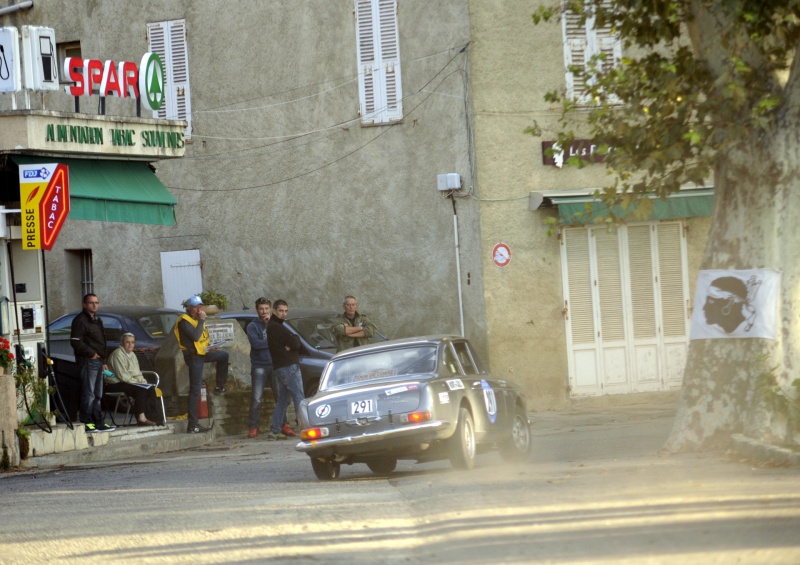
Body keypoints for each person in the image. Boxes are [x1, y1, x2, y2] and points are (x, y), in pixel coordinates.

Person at [173, 295, 229, 434]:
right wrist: (202, 319)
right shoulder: (184, 321)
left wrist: (210, 346)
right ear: (190, 307)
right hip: (193, 357)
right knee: (195, 391)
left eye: (200, 306)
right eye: (196, 307)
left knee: (223, 356)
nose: (199, 309)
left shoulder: (196, 319)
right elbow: (196, 336)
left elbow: (202, 339)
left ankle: (219, 385)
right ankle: (192, 425)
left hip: (203, 353)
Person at [70, 293, 115, 433]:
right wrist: (92, 354)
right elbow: (76, 342)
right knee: (88, 394)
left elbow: (100, 342)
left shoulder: (97, 320)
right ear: (84, 305)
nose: (94, 305)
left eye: (96, 302)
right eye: (91, 303)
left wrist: (103, 360)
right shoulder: (80, 320)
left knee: (98, 394)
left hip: (98, 362)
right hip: (88, 361)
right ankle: (86, 422)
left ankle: (99, 422)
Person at [266, 299, 307, 440]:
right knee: (299, 398)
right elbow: (296, 343)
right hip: (289, 366)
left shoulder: (274, 326)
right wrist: (294, 339)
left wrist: (293, 341)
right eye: (281, 311)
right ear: (274, 311)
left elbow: (294, 344)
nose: (284, 314)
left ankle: (275, 429)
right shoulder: (277, 327)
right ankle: (304, 427)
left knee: (283, 400)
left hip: (280, 367)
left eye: (285, 311)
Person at [106, 333, 164, 426]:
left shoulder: (132, 354)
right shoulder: (117, 354)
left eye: (132, 342)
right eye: (127, 342)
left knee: (150, 389)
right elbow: (123, 376)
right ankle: (141, 418)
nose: (130, 344)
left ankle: (154, 418)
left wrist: (142, 380)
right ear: (122, 343)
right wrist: (138, 383)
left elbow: (137, 372)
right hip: (115, 383)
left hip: (129, 382)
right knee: (140, 390)